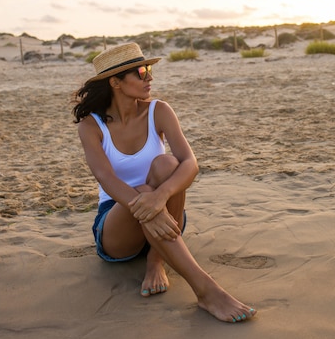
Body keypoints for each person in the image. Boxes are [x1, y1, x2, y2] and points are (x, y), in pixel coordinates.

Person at [72, 42, 257, 323]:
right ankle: (206, 289)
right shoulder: (91, 126)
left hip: (165, 213)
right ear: (115, 82)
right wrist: (147, 199)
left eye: (148, 69)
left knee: (168, 164)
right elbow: (106, 178)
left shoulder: (159, 110)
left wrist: (161, 196)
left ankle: (156, 260)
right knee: (145, 189)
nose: (150, 77)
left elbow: (190, 163)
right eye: (141, 72)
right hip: (117, 223)